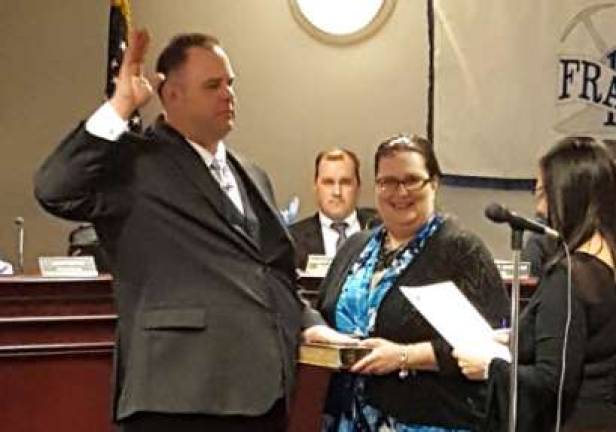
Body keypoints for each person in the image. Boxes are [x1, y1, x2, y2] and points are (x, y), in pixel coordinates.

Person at [34, 29, 350, 431]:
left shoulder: (252, 174)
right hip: (177, 395)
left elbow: (270, 272)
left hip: (262, 395)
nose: (228, 95)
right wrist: (119, 106)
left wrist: (312, 325)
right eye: (213, 85)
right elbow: (53, 188)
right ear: (172, 95)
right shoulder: (134, 162)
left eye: (230, 84)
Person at [316, 134, 510, 431]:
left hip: (430, 419)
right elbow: (323, 310)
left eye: (412, 180)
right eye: (388, 182)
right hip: (348, 418)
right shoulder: (356, 246)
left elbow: (494, 346)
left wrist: (404, 357)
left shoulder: (461, 250)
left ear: (434, 183)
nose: (400, 192)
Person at [454, 136, 616, 431]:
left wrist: (489, 368)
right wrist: (518, 337)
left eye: (542, 193)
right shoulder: (606, 262)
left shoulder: (569, 277)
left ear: (568, 195)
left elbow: (551, 381)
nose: (539, 208)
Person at [290, 149, 377, 271]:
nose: (337, 192)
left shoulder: (382, 230)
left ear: (358, 186)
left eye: (345, 182)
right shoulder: (292, 240)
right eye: (328, 183)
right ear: (316, 187)